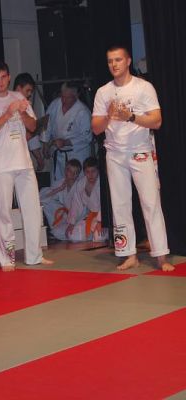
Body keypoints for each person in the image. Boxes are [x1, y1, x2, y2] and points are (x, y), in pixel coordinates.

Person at [91, 45, 174, 271]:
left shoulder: (143, 87)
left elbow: (157, 121)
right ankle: (128, 254)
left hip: (140, 151)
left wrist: (131, 116)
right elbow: (96, 128)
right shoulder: (103, 92)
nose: (114, 64)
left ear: (128, 61)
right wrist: (108, 115)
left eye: (118, 60)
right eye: (110, 61)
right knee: (120, 205)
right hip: (115, 153)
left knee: (151, 202)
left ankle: (161, 256)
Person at [0, 61, 53, 271]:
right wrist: (7, 115)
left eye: (3, 77)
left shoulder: (18, 97)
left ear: (9, 77)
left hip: (23, 162)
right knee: (4, 213)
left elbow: (33, 126)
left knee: (32, 210)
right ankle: (7, 258)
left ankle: (34, 255)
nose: (0, 82)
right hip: (2, 164)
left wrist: (23, 112)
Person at [41, 82, 92, 184]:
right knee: (58, 184)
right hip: (58, 153)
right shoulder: (55, 104)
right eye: (62, 96)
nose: (63, 100)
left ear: (76, 96)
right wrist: (45, 143)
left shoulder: (83, 112)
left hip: (76, 155)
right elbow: (46, 123)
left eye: (68, 98)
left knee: (77, 185)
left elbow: (87, 138)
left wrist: (66, 142)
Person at [52, 157, 104, 242]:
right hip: (91, 218)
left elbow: (105, 205)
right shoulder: (81, 183)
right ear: (84, 172)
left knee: (98, 237)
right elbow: (76, 204)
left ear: (98, 171)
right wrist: (72, 223)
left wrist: (100, 221)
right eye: (87, 172)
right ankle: (90, 233)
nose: (90, 175)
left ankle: (96, 233)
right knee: (70, 234)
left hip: (104, 218)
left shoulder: (103, 183)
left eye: (93, 171)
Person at [39, 158, 81, 236]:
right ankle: (56, 226)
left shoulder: (80, 185)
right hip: (64, 216)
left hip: (77, 218)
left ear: (78, 174)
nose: (72, 174)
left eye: (75, 172)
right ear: (65, 171)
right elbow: (41, 197)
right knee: (45, 202)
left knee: (73, 235)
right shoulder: (60, 182)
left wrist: (72, 221)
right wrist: (59, 189)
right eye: (70, 171)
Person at [13, 73, 44, 172]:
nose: (30, 94)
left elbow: (32, 134)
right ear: (18, 88)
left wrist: (39, 158)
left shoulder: (27, 105)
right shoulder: (5, 104)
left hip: (22, 157)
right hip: (7, 157)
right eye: (28, 90)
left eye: (31, 91)